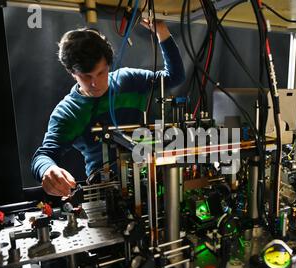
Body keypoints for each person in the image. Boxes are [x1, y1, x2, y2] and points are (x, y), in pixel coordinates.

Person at [31, 21, 185, 197]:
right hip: (106, 193)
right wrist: (48, 169)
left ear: (109, 65)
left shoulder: (129, 80)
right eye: (86, 77)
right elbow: (44, 154)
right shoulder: (69, 112)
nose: (95, 83)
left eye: (101, 73)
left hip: (150, 182)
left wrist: (162, 31)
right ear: (72, 73)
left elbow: (175, 76)